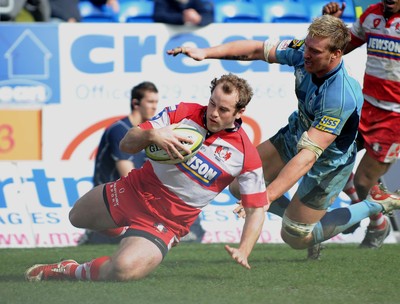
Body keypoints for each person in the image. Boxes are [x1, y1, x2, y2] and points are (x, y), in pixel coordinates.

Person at [167, 15, 400, 257]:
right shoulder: (303, 51)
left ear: (336, 54)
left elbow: (308, 157)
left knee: (295, 237)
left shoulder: (340, 96)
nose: (306, 54)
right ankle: (298, 218)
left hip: (327, 163)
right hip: (295, 135)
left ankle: (377, 203)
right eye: (307, 46)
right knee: (240, 184)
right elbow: (257, 49)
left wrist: (267, 197)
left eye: (315, 51)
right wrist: (205, 52)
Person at [25, 74, 268, 281]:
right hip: (135, 190)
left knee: (122, 270)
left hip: (167, 222)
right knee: (76, 216)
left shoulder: (245, 154)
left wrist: (244, 249)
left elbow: (257, 208)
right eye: (212, 103)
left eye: (223, 109)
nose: (213, 113)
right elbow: (127, 143)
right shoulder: (183, 112)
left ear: (240, 112)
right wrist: (153, 135)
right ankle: (124, 231)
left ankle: (72, 270)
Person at [319, 0, 400, 249]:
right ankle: (375, 221)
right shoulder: (371, 15)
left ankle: (377, 223)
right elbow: (341, 47)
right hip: (364, 107)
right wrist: (332, 24)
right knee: (329, 157)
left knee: (365, 182)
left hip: (394, 117)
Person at [78, 81, 159, 245]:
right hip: (109, 201)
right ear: (135, 103)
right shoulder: (120, 130)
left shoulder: (149, 132)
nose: (154, 107)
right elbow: (127, 174)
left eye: (156, 102)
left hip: (128, 202)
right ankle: (93, 235)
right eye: (150, 102)